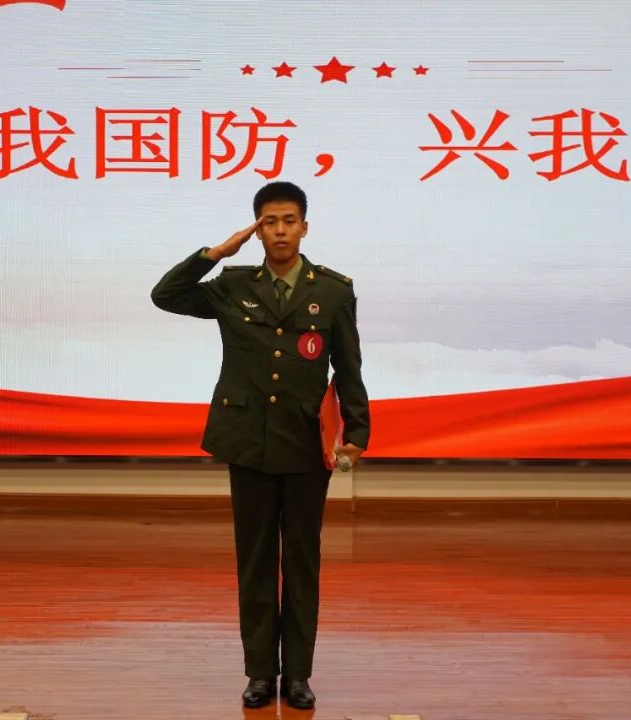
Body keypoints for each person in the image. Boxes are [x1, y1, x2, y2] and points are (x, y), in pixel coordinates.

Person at [151, 181, 370, 710]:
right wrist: (215, 253)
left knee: (301, 562)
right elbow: (166, 295)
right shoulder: (232, 285)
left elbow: (348, 367)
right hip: (247, 440)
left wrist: (357, 432)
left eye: (289, 220)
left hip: (306, 445)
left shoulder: (333, 291)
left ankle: (297, 675)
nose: (280, 231)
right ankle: (259, 673)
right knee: (254, 562)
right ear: (257, 230)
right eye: (269, 222)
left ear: (305, 227)